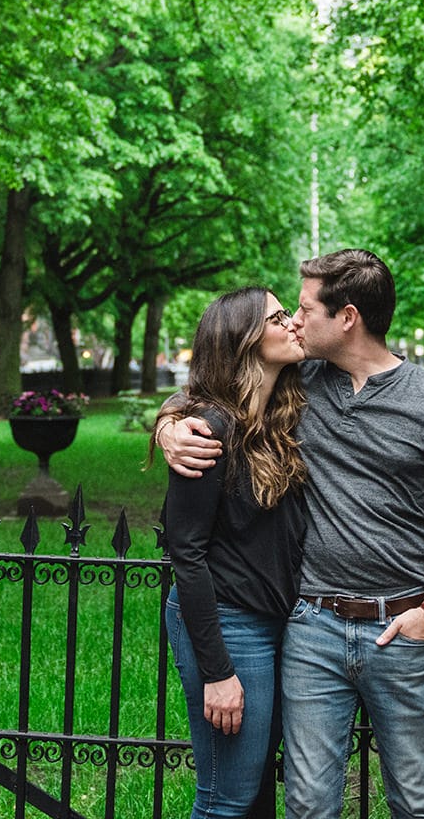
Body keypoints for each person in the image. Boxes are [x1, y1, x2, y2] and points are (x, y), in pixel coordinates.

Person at [160, 250, 424, 819]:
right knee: (307, 806)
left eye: (302, 308)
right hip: (311, 630)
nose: (294, 321)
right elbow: (221, 387)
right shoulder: (303, 385)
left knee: (418, 803)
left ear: (347, 317)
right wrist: (171, 424)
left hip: (402, 630)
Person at [161, 286, 309, 818]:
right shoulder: (208, 429)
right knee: (227, 798)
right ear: (243, 340)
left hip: (278, 622)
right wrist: (217, 672)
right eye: (277, 317)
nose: (292, 323)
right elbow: (187, 552)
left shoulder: (281, 417)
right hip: (228, 622)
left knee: (251, 795)